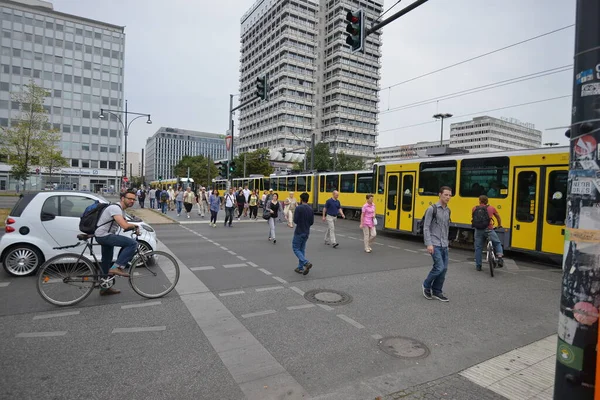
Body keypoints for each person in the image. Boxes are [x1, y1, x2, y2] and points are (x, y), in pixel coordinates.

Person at [94, 190, 140, 296]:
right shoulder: (115, 208)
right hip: (104, 236)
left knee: (106, 261)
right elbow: (124, 225)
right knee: (132, 243)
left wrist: (132, 227)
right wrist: (135, 226)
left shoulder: (121, 210)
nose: (132, 201)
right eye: (130, 198)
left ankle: (105, 287)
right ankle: (117, 267)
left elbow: (125, 224)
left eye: (134, 199)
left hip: (103, 235)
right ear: (122, 198)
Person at [422, 186, 452, 302]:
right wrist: (429, 244)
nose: (448, 197)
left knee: (444, 269)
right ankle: (426, 285)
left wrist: (447, 243)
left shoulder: (448, 210)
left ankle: (437, 291)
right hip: (434, 243)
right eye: (446, 195)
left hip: (444, 244)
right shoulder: (432, 209)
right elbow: (426, 227)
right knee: (439, 267)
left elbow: (446, 228)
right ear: (440, 195)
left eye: (450, 195)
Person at [472, 195, 504, 271]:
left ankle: (478, 266)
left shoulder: (474, 208)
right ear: (487, 201)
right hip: (489, 229)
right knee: (497, 243)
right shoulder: (491, 208)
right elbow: (498, 217)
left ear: (479, 201)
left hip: (478, 230)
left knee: (478, 247)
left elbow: (473, 218)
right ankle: (499, 258)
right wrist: (499, 225)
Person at [292, 192, 314, 275]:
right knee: (302, 249)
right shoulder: (310, 209)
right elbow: (311, 222)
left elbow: (295, 220)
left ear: (301, 199)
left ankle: (305, 263)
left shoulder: (299, 208)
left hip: (299, 231)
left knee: (295, 248)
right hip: (306, 231)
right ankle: (300, 267)